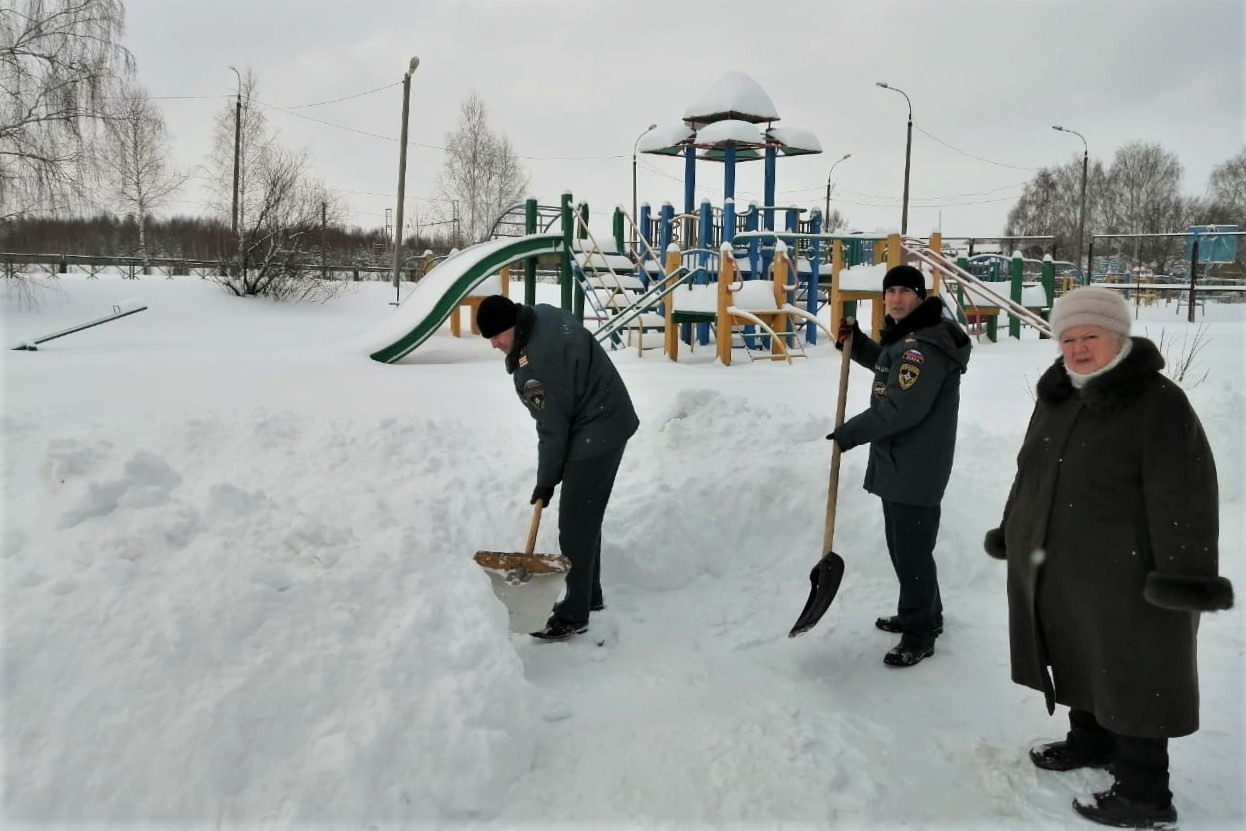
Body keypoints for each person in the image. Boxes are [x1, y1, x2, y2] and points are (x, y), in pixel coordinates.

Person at [983, 286, 1233, 829]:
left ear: (1118, 338)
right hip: (1064, 566)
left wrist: (1182, 576)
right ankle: (1090, 740)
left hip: (1128, 573)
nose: (1076, 349)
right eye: (1067, 339)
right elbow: (1031, 472)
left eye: (1089, 337)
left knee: (1136, 670)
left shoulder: (1157, 404)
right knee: (1076, 649)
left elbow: (1185, 497)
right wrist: (1012, 530)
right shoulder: (1059, 396)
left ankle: (1146, 795)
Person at [827, 264, 971, 667]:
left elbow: (901, 407)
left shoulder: (921, 347)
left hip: (914, 463)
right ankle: (923, 615)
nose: (895, 298)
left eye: (905, 291)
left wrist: (849, 432)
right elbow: (889, 367)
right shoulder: (913, 339)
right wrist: (857, 345)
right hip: (906, 461)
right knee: (911, 547)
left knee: (910, 552)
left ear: (921, 297)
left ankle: (920, 633)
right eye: (890, 291)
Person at [476, 294, 639, 642]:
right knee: (586, 514)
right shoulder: (541, 315)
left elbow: (552, 429)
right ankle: (589, 595)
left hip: (598, 428)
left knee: (575, 524)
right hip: (607, 414)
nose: (494, 345)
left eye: (496, 337)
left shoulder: (535, 368)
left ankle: (575, 613)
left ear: (512, 326)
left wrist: (546, 482)